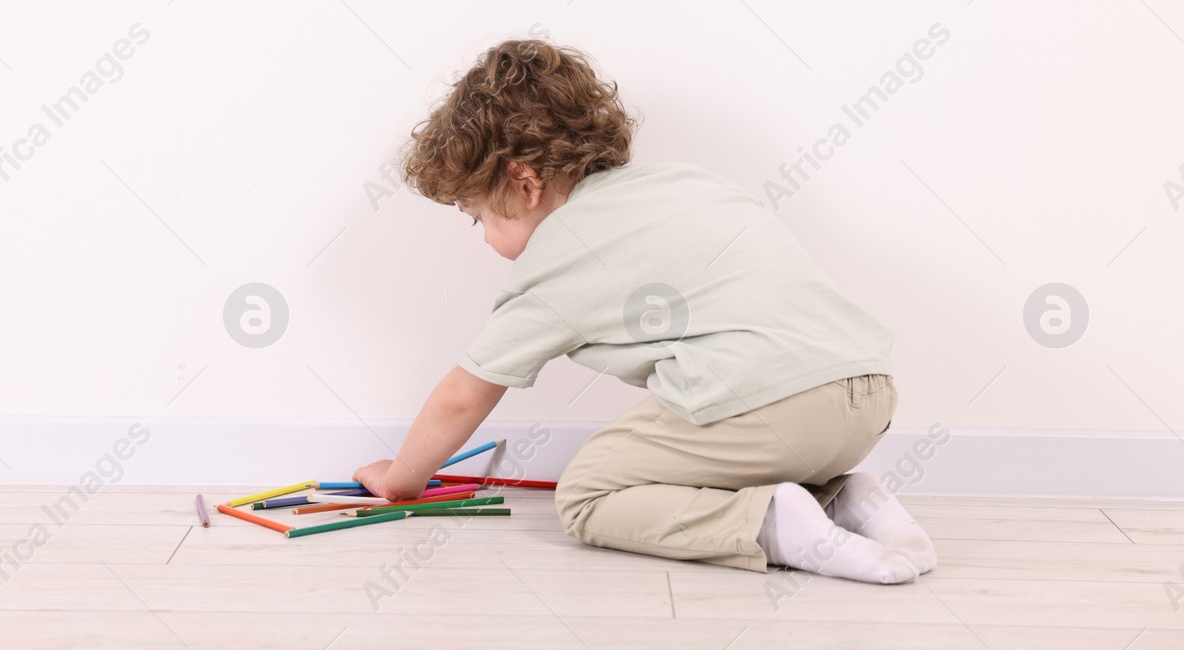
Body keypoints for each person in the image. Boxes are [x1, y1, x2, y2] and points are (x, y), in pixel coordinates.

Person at [353, 38, 935, 582]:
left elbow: (465, 392)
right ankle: (846, 499)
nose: (483, 237)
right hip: (867, 396)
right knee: (702, 441)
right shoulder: (682, 182)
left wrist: (402, 478)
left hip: (777, 408)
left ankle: (771, 526)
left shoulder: (559, 258)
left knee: (587, 493)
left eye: (479, 216)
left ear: (524, 183)